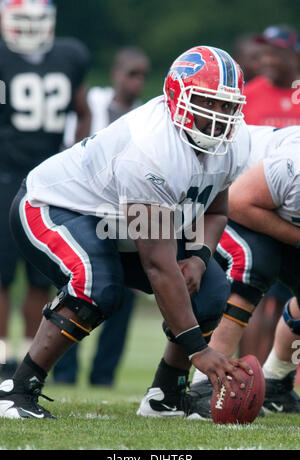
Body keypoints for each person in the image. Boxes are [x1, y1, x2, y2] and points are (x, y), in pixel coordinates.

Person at [0, 45, 254, 419]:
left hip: (118, 220)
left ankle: (165, 396)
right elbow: (157, 264)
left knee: (212, 288)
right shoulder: (151, 150)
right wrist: (200, 350)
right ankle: (17, 390)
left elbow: (215, 209)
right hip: (56, 205)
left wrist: (199, 259)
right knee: (97, 285)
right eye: (206, 102)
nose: (217, 117)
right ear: (176, 96)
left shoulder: (233, 144)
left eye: (225, 105)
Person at [0, 0, 91, 380]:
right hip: (5, 173)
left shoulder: (69, 56)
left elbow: (82, 110)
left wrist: (76, 157)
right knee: (3, 271)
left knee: (41, 272)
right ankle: (4, 352)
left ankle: (25, 355)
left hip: (47, 175)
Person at [53, 47, 151, 385]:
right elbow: (68, 152)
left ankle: (103, 376)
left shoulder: (144, 118)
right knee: (76, 290)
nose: (136, 82)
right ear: (115, 73)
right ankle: (64, 373)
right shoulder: (91, 105)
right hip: (84, 211)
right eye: (131, 74)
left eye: (142, 75)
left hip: (122, 217)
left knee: (123, 296)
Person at [190, 124, 300, 416]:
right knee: (255, 261)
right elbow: (238, 202)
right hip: (223, 197)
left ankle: (276, 383)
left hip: (267, 209)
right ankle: (206, 383)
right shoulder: (295, 166)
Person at [235, 25, 299, 373]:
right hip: (254, 206)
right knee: (252, 297)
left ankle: (276, 376)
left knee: (286, 300)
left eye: (279, 52)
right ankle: (251, 372)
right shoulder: (250, 93)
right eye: (266, 52)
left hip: (292, 206)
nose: (270, 60)